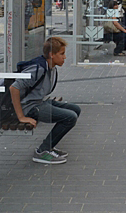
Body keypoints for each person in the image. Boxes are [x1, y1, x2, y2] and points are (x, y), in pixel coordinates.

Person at [10, 37, 80, 165]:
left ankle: (50, 146)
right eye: (62, 54)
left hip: (40, 102)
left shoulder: (51, 67)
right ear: (51, 55)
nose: (65, 57)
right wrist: (21, 116)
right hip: (30, 107)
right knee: (70, 117)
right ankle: (42, 151)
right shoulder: (39, 68)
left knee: (75, 109)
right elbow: (14, 88)